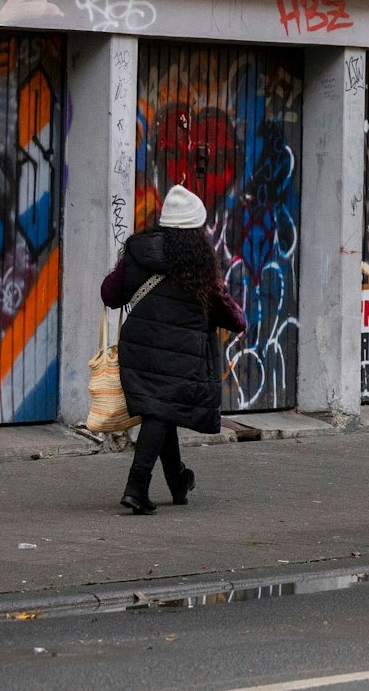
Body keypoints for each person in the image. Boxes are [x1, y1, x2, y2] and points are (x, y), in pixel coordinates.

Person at [103, 185, 245, 515]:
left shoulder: (139, 252)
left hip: (138, 351)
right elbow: (233, 317)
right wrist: (238, 317)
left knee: (161, 409)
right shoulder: (199, 265)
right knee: (161, 410)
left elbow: (110, 294)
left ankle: (178, 479)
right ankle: (136, 487)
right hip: (181, 354)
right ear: (194, 230)